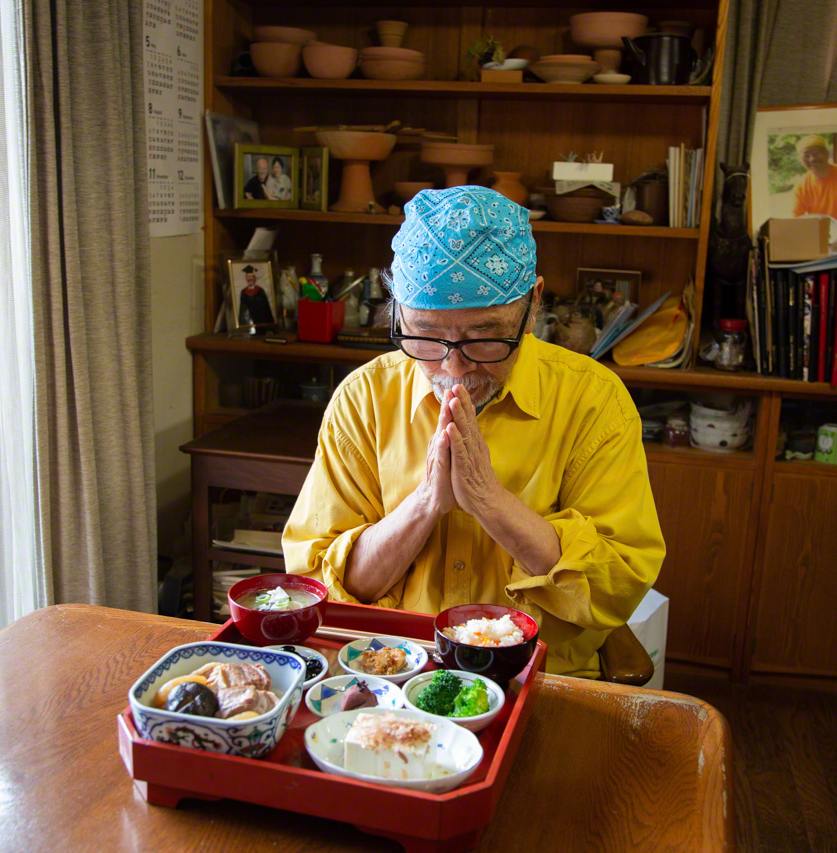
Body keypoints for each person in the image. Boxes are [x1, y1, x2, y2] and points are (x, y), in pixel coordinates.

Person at [282, 186, 665, 678]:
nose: (454, 368)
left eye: (485, 337)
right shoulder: (364, 399)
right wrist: (425, 505)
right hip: (393, 673)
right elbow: (317, 584)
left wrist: (490, 502)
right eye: (425, 335)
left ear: (533, 305)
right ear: (397, 312)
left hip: (540, 676)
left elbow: (617, 586)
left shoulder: (594, 401)